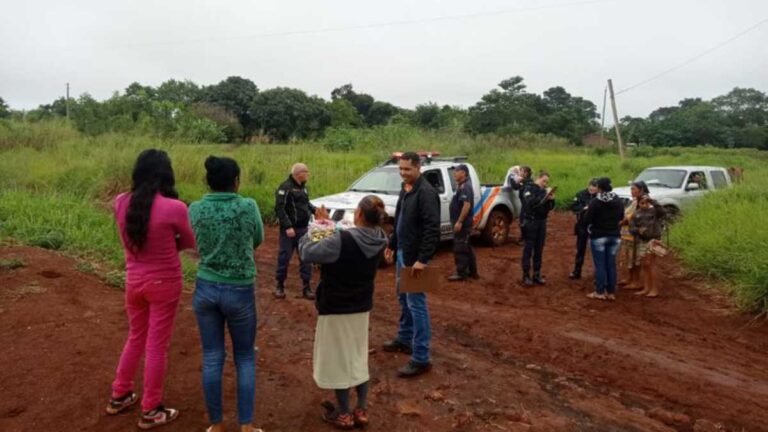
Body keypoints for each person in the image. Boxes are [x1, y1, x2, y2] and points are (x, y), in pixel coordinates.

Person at [107, 149, 195, 429]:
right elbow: (188, 241)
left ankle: (120, 394)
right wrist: (171, 245)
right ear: (166, 174)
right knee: (157, 346)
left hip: (133, 281)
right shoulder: (175, 207)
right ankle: (151, 409)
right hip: (165, 283)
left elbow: (130, 237)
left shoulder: (120, 202)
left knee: (135, 337)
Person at [189, 156, 265, 432]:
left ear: (208, 181)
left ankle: (216, 426)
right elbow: (257, 239)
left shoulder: (195, 209)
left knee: (212, 357)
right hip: (239, 289)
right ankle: (246, 426)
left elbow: (193, 241)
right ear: (236, 182)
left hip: (205, 287)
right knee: (244, 357)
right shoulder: (247, 206)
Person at [299, 196, 388, 430]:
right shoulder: (380, 238)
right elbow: (350, 236)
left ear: (358, 215)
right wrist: (331, 225)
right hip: (361, 306)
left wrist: (318, 226)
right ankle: (361, 408)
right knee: (358, 358)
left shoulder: (343, 239)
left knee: (339, 361)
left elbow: (307, 252)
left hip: (336, 306)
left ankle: (345, 414)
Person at [381, 151, 441, 378]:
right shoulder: (406, 189)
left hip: (416, 258)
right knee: (402, 297)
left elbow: (432, 229)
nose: (403, 173)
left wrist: (422, 260)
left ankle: (421, 357)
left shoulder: (426, 193)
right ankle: (404, 338)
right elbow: (400, 220)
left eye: (407, 169)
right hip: (403, 254)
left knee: (417, 303)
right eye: (400, 169)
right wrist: (392, 244)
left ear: (418, 167)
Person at [274, 163, 328, 300]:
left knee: (306, 258)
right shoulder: (285, 188)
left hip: (303, 229)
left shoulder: (303, 188)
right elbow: (279, 209)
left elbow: (306, 203)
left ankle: (306, 287)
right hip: (289, 231)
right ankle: (279, 285)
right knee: (284, 257)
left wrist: (315, 210)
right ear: (298, 173)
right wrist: (287, 226)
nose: (308, 175)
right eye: (306, 172)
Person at [583, 177, 625, 301]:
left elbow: (587, 219)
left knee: (600, 265)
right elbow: (621, 217)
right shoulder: (618, 200)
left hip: (599, 235)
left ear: (599, 188)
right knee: (611, 264)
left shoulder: (596, 202)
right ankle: (611, 292)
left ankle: (600, 291)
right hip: (614, 236)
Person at [520, 171, 555, 286]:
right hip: (530, 221)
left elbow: (550, 207)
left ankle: (536, 274)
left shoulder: (542, 191)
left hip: (542, 221)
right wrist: (544, 195)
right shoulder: (528, 188)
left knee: (539, 249)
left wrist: (551, 199)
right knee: (528, 249)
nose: (545, 184)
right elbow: (530, 203)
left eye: (546, 182)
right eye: (543, 181)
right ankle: (525, 275)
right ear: (538, 178)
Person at [629, 196, 665, 298]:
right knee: (645, 265)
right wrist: (638, 230)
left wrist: (652, 200)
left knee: (651, 264)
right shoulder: (636, 214)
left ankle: (654, 289)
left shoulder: (654, 212)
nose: (644, 205)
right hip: (642, 241)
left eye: (646, 203)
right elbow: (631, 228)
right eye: (642, 203)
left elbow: (662, 211)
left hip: (654, 240)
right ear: (638, 204)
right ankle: (646, 288)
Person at [448, 164, 478, 281]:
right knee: (466, 246)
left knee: (460, 247)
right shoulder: (461, 186)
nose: (455, 173)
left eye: (457, 171)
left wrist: (459, 221)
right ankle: (472, 271)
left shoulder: (465, 187)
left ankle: (461, 273)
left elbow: (466, 205)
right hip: (463, 223)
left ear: (464, 173)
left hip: (463, 223)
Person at [619, 181, 649, 290]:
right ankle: (631, 278)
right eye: (631, 189)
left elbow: (635, 217)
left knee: (635, 258)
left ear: (641, 190)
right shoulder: (635, 200)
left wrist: (622, 222)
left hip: (634, 234)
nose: (631, 191)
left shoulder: (643, 201)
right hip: (628, 234)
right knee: (630, 257)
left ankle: (636, 281)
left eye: (633, 189)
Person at [569, 179, 599, 280]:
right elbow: (573, 206)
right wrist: (583, 209)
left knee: (596, 250)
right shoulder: (581, 194)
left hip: (595, 226)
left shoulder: (600, 197)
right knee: (580, 249)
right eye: (591, 185)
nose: (592, 188)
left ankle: (597, 273)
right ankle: (577, 271)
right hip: (582, 225)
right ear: (588, 185)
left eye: (595, 186)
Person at [512, 166, 534, 243]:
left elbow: (515, 186)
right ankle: (524, 237)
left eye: (521, 171)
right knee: (523, 221)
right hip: (525, 205)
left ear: (526, 173)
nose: (520, 172)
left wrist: (512, 176)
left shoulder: (527, 182)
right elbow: (515, 186)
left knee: (524, 221)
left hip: (526, 206)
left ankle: (525, 238)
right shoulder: (527, 181)